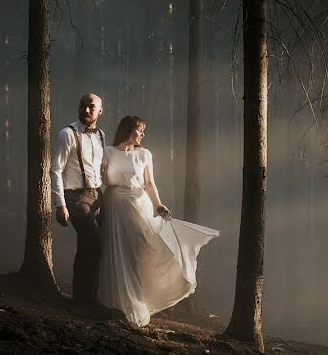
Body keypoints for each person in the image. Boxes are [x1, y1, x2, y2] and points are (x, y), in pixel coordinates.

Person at [97, 115, 219, 328]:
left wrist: (158, 205)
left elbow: (150, 184)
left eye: (144, 131)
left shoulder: (144, 154)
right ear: (127, 130)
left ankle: (134, 305)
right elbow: (97, 178)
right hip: (113, 204)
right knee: (114, 251)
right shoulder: (107, 151)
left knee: (135, 252)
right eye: (139, 130)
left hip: (137, 204)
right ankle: (112, 303)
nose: (143, 134)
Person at [50, 93, 106, 306]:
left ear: (100, 111)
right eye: (83, 105)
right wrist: (60, 204)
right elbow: (55, 170)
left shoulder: (101, 135)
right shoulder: (67, 134)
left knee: (88, 246)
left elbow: (99, 168)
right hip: (74, 197)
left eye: (92, 107)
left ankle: (86, 298)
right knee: (94, 243)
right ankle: (85, 299)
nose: (86, 110)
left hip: (96, 196)